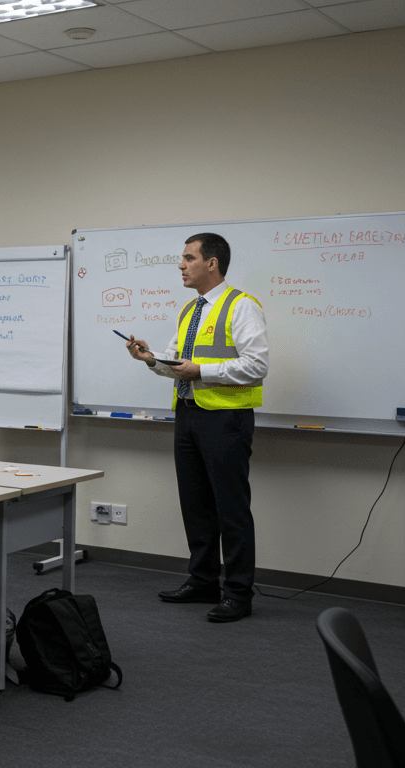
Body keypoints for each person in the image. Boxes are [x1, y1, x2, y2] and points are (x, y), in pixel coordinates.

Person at [123, 233, 268, 623]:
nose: (181, 265)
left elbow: (257, 366)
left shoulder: (242, 306)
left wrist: (202, 370)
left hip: (225, 419)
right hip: (187, 413)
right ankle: (203, 580)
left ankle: (238, 592)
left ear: (212, 263)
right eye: (182, 258)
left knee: (231, 509)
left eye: (188, 258)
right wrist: (149, 358)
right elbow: (176, 363)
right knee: (196, 505)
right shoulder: (190, 310)